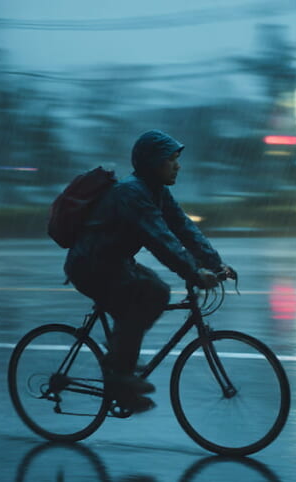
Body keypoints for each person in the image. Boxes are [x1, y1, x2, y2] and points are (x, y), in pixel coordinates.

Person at [64, 129, 234, 413]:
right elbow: (160, 240)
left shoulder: (156, 191)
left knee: (157, 290)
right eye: (171, 159)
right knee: (144, 297)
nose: (177, 165)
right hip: (90, 265)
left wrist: (215, 264)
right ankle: (120, 376)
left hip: (113, 262)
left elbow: (184, 229)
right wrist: (193, 274)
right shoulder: (132, 192)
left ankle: (119, 360)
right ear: (153, 163)